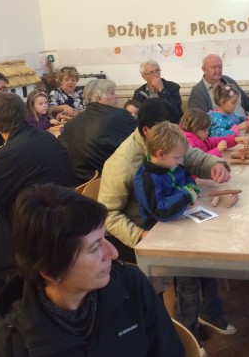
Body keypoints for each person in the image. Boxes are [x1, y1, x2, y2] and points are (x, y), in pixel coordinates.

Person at [0, 183, 185, 357]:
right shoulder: (5, 350)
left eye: (104, 238)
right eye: (95, 248)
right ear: (51, 271)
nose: (113, 253)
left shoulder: (131, 287)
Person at [133, 122, 235, 353]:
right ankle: (188, 334)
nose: (180, 162)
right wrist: (186, 194)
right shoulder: (146, 177)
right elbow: (160, 210)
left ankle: (210, 313)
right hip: (164, 236)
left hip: (185, 225)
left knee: (210, 267)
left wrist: (191, 187)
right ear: (160, 154)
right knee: (188, 284)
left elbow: (187, 178)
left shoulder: (172, 165)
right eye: (177, 157)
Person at [0, 93, 77, 314]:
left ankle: (14, 315)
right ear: (24, 113)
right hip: (63, 220)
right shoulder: (45, 137)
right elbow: (27, 173)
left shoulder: (9, 154)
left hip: (35, 233)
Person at [98, 98, 230, 263]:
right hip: (146, 231)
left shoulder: (169, 139)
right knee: (200, 256)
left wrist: (215, 164)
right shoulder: (122, 163)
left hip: (174, 215)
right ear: (147, 131)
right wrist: (139, 235)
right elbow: (108, 214)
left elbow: (192, 156)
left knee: (217, 236)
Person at [59, 79, 137, 185]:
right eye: (112, 93)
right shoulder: (120, 116)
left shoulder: (70, 124)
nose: (117, 96)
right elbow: (143, 138)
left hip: (79, 186)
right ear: (99, 98)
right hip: (111, 183)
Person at [188, 53, 249, 117]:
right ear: (203, 69)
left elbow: (247, 102)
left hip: (246, 124)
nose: (218, 70)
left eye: (220, 67)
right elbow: (200, 122)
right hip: (225, 134)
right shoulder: (198, 91)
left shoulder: (228, 80)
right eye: (213, 67)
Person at [180, 107, 249, 157]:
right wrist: (217, 150)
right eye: (204, 130)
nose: (207, 133)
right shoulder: (188, 145)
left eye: (207, 130)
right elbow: (199, 160)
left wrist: (234, 139)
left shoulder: (202, 138)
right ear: (193, 128)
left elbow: (215, 141)